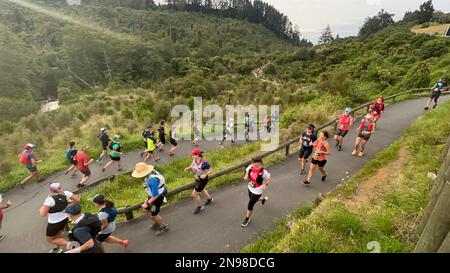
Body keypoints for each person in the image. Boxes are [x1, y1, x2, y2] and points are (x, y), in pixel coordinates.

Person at [40, 182, 79, 253]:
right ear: (60, 188)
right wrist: (68, 202)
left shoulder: (49, 199)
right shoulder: (66, 193)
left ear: (51, 190)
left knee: (50, 239)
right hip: (65, 219)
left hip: (54, 222)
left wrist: (41, 208)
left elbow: (42, 214)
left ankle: (72, 245)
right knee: (58, 235)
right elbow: (77, 199)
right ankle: (57, 249)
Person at [132, 163, 169, 236]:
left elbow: (156, 195)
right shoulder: (151, 172)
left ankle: (163, 226)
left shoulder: (152, 181)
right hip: (153, 194)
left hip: (157, 197)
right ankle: (157, 221)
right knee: (146, 210)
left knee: (153, 214)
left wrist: (147, 203)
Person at [241, 157, 272, 227]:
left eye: (254, 163)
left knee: (250, 204)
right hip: (250, 187)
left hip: (257, 190)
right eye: (252, 163)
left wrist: (265, 184)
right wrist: (245, 176)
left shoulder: (264, 172)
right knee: (252, 200)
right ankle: (263, 199)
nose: (252, 164)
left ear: (259, 163)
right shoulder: (251, 167)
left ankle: (247, 218)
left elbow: (269, 179)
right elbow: (247, 172)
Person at [184, 149, 214, 214]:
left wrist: (205, 174)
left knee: (194, 194)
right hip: (197, 178)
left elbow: (211, 170)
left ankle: (200, 206)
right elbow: (192, 166)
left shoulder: (204, 162)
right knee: (202, 189)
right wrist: (187, 168)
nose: (192, 156)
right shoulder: (194, 160)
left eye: (193, 155)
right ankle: (210, 199)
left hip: (203, 179)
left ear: (197, 155)